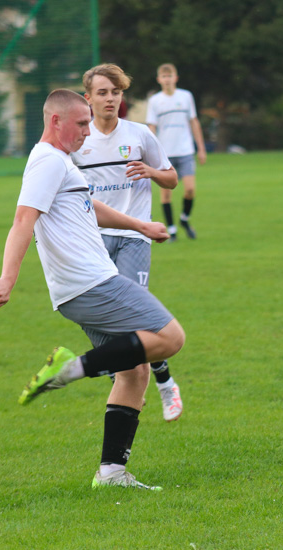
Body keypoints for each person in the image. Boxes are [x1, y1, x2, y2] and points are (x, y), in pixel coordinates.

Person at [0, 89, 186, 490]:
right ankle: (72, 368)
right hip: (90, 281)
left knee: (134, 373)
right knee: (170, 338)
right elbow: (23, 220)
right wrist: (8, 277)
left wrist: (141, 225)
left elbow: (88, 208)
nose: (87, 130)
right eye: (80, 123)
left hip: (79, 287)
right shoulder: (46, 161)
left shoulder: (62, 162)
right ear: (55, 121)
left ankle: (111, 473)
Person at [72, 63, 184, 422]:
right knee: (116, 325)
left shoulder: (139, 135)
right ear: (87, 98)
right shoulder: (78, 143)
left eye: (116, 93)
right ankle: (132, 374)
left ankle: (164, 382)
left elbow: (171, 180)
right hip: (94, 243)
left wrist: (151, 172)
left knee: (137, 324)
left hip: (135, 239)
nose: (110, 99)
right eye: (102, 93)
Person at [146, 63, 207, 241]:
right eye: (163, 77)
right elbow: (151, 127)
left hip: (185, 151)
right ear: (159, 80)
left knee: (190, 190)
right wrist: (151, 153)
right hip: (165, 154)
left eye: (170, 76)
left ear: (176, 78)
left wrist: (201, 148)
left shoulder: (186, 96)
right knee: (166, 194)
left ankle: (184, 219)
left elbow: (194, 122)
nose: (167, 79)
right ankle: (171, 229)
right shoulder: (155, 101)